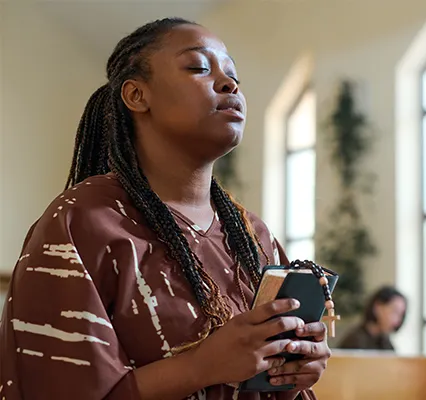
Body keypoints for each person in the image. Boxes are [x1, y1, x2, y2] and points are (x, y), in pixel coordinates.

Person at [0, 18, 331, 400]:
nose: (229, 84)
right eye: (198, 68)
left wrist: (289, 372)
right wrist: (201, 365)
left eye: (233, 74)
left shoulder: (253, 235)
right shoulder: (83, 221)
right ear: (137, 96)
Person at [338, 286, 407, 351]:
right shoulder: (355, 341)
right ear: (377, 307)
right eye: (394, 312)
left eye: (401, 314)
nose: (398, 320)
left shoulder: (386, 343)